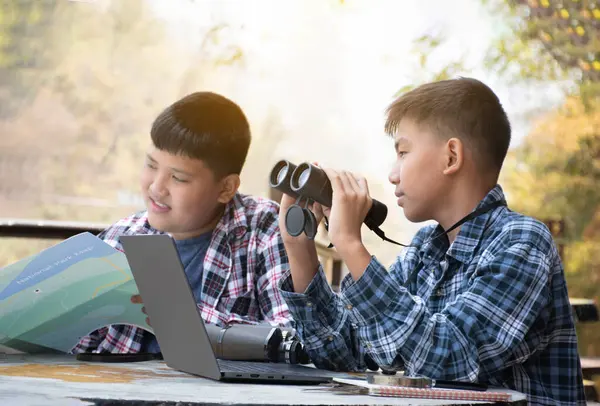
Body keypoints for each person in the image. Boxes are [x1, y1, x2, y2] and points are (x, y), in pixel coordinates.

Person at [277, 77, 586, 405]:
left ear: (451, 156)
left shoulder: (522, 243)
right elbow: (347, 353)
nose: (393, 174)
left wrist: (351, 245)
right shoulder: (425, 250)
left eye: (403, 152)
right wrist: (299, 251)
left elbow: (450, 357)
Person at [72, 91, 292, 354]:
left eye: (178, 178)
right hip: (122, 390)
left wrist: (179, 317)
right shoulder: (117, 241)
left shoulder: (262, 228)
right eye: (151, 165)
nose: (156, 187)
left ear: (226, 188)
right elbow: (78, 353)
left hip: (216, 393)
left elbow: (290, 337)